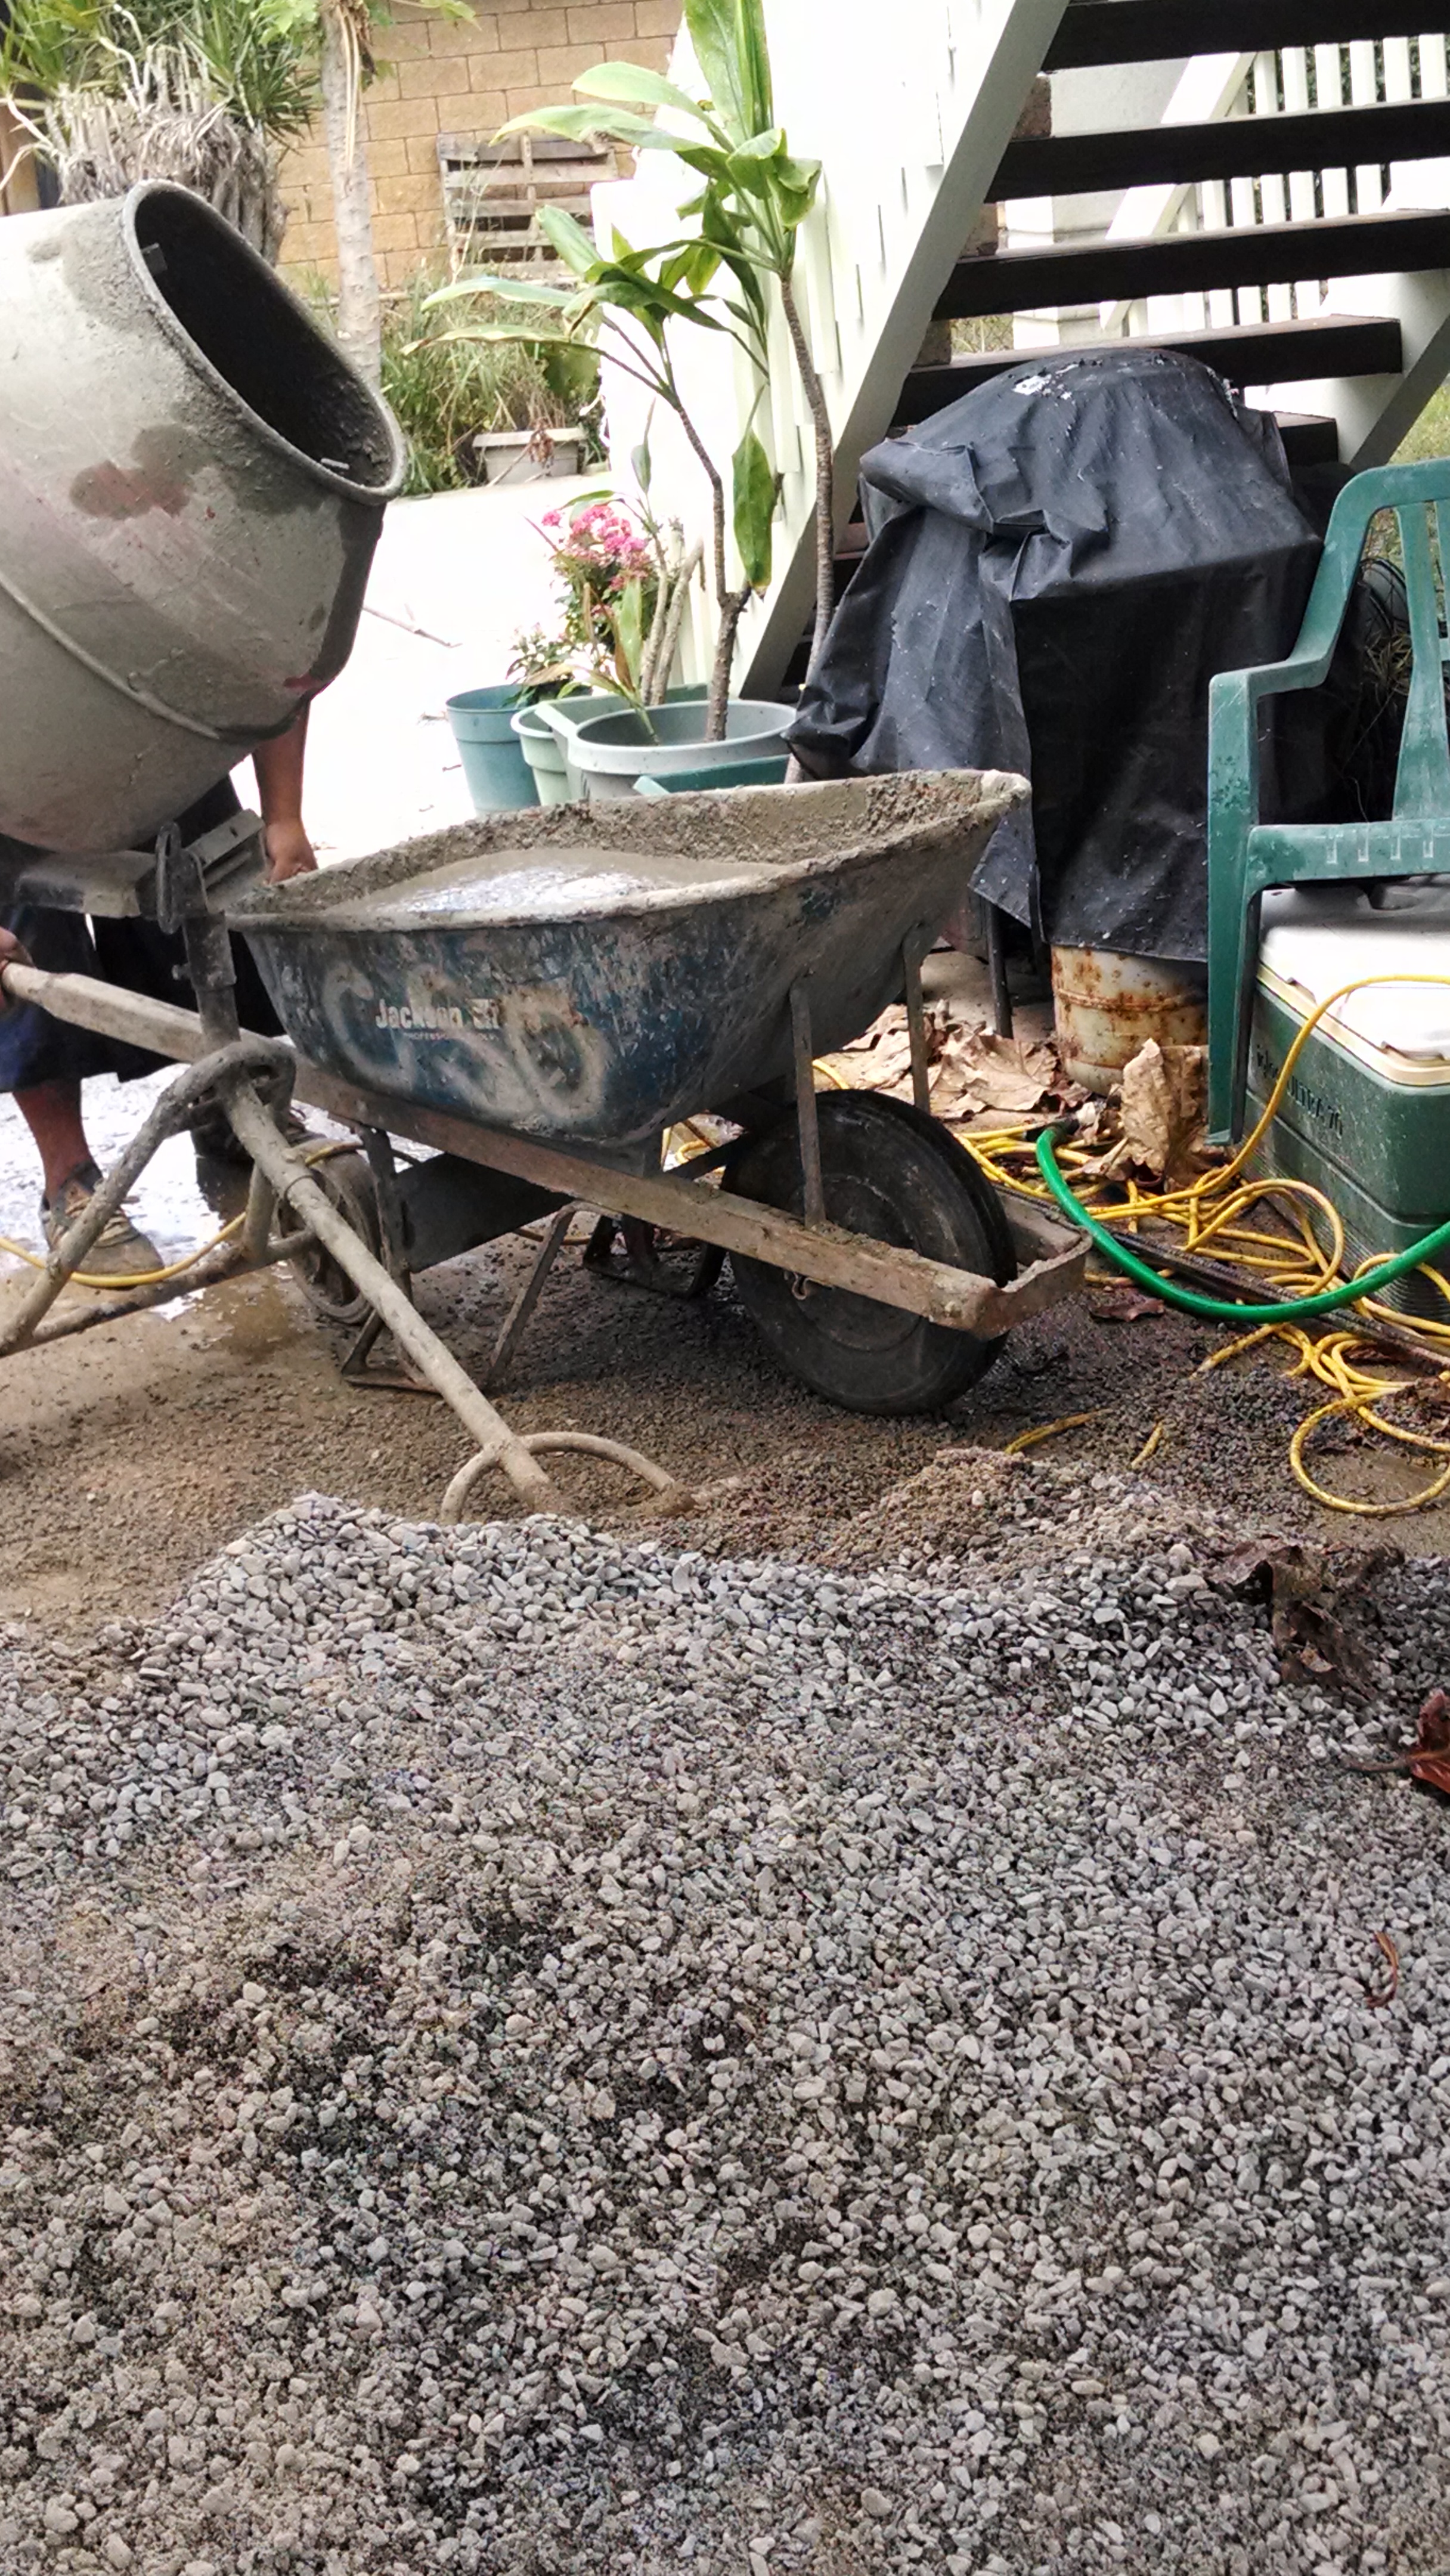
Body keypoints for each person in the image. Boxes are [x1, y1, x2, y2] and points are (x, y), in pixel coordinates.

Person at [0, 711, 317, 1279]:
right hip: (15, 764)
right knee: (25, 923)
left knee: (212, 857)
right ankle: (69, 1178)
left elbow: (281, 678)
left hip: (144, 728)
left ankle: (232, 1103)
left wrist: (284, 816)